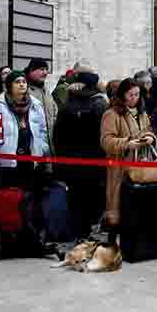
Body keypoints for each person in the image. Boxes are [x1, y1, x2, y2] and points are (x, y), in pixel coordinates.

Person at [53, 66, 108, 239]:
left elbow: (57, 135)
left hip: (71, 161)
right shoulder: (100, 104)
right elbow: (103, 135)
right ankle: (89, 232)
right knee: (92, 197)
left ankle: (77, 233)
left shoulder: (68, 104)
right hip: (93, 161)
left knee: (75, 198)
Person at [100, 79, 157, 241]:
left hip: (141, 165)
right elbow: (106, 141)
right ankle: (113, 241)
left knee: (136, 206)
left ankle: (134, 241)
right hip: (120, 168)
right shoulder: (111, 114)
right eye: (130, 95)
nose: (134, 98)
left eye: (137, 94)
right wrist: (127, 143)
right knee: (117, 207)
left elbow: (148, 130)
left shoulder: (142, 112)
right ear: (122, 95)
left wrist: (149, 137)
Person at [0, 71, 50, 188]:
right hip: (7, 165)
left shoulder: (36, 105)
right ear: (9, 85)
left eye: (24, 82)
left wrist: (42, 149)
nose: (22, 84)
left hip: (31, 162)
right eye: (17, 82)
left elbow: (42, 131)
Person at [24, 58, 57, 149]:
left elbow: (54, 111)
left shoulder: (46, 90)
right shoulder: (24, 90)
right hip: (31, 146)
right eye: (42, 69)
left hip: (49, 144)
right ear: (31, 70)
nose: (46, 72)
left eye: (46, 69)